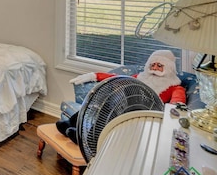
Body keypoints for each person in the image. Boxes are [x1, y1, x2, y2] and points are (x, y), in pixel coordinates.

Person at [56, 49, 186, 144]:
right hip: (124, 105)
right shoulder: (140, 77)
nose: (155, 68)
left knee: (108, 116)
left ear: (168, 68)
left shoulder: (174, 86)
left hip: (144, 114)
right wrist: (94, 76)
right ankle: (71, 123)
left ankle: (84, 138)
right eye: (153, 65)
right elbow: (118, 79)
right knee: (102, 104)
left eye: (159, 66)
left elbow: (177, 104)